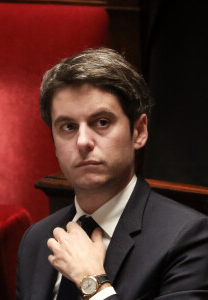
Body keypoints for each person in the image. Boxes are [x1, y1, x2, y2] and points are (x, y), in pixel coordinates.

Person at [16, 48, 208, 300]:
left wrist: (91, 281)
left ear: (138, 132)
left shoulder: (188, 239)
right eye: (68, 127)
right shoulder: (37, 239)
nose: (83, 141)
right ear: (54, 142)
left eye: (102, 122)